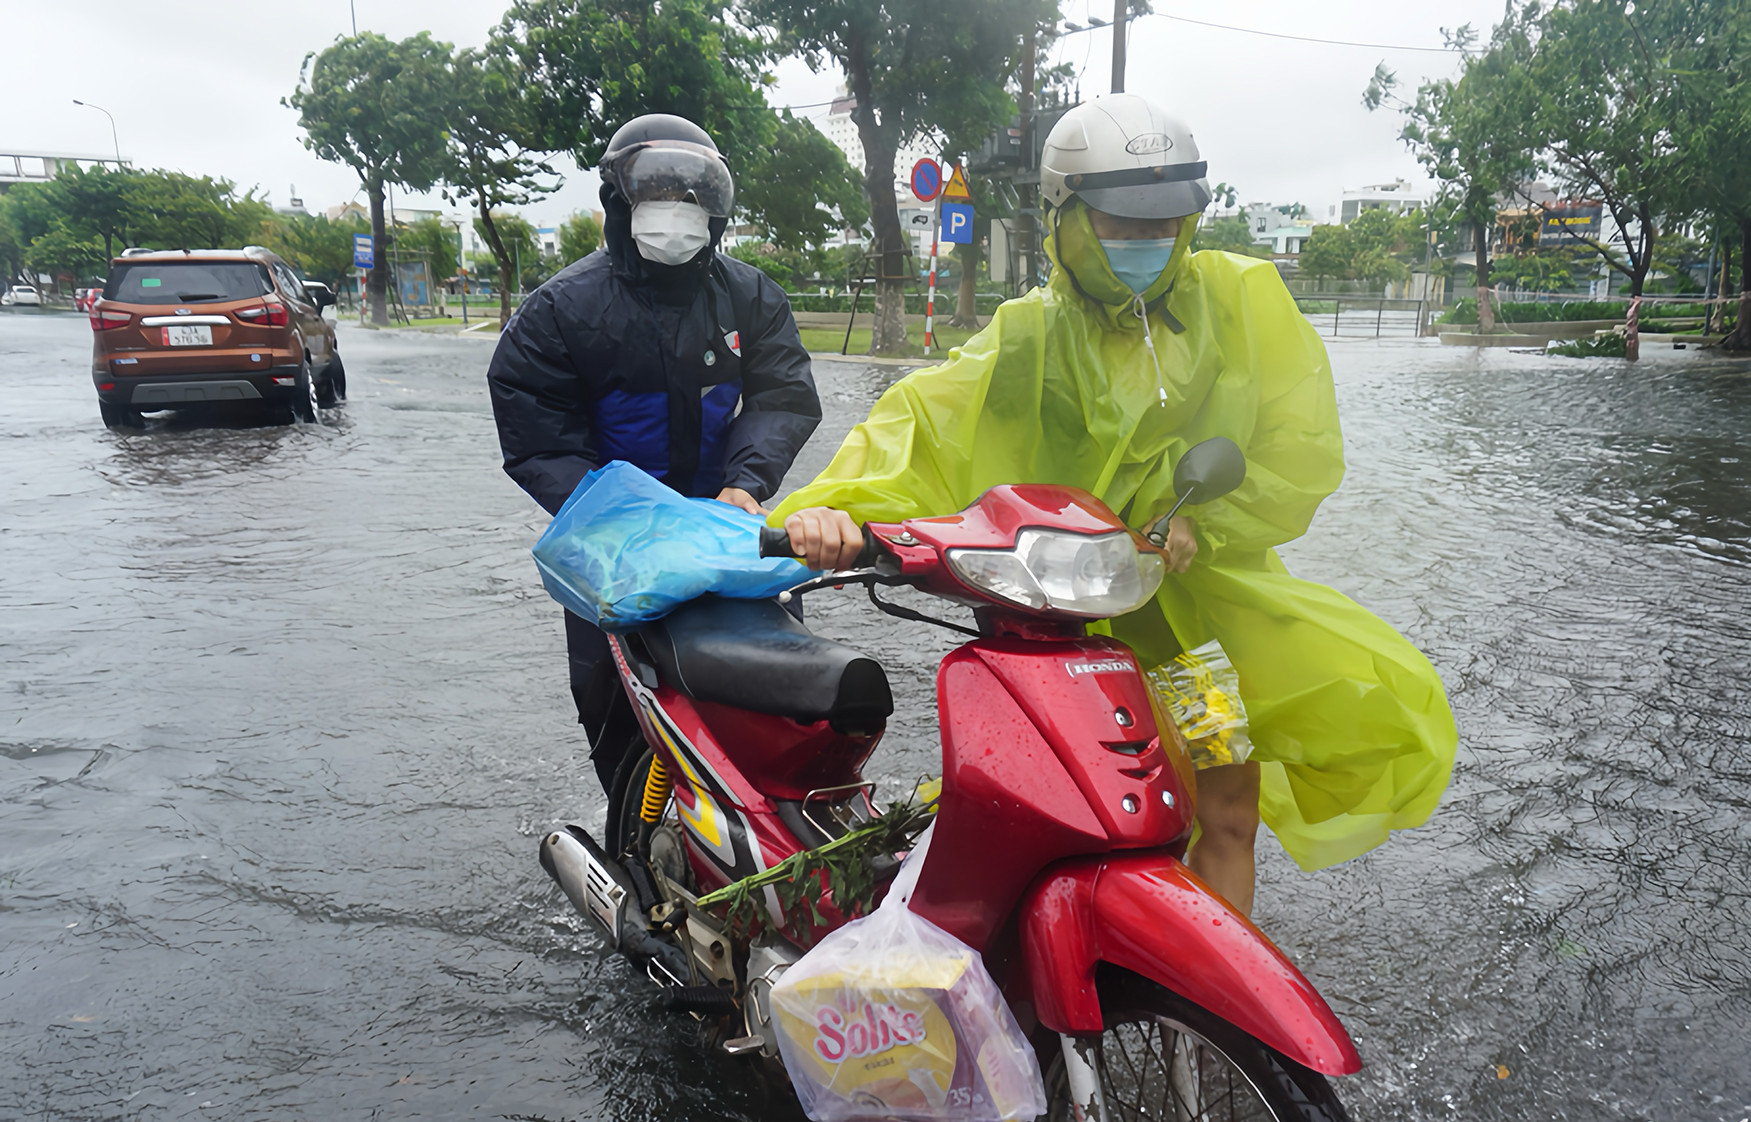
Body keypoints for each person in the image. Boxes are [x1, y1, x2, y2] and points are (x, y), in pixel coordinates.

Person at [774, 94, 1457, 916]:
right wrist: (838, 511)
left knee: (1228, 812)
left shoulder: (1238, 301)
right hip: (1065, 618)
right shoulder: (1030, 334)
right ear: (1061, 218)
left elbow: (1297, 444)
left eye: (1164, 224)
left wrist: (1207, 523)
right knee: (1077, 820)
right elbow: (922, 420)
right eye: (1122, 224)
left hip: (1193, 619)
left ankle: (1212, 1020)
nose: (1147, 242)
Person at [488, 113, 822, 788]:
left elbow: (781, 396)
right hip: (610, 548)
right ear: (619, 202)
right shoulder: (561, 310)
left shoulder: (750, 297)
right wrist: (618, 517)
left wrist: (745, 483)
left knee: (785, 702)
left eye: (691, 200)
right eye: (657, 197)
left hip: (727, 531)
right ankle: (633, 853)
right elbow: (539, 432)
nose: (676, 214)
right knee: (617, 714)